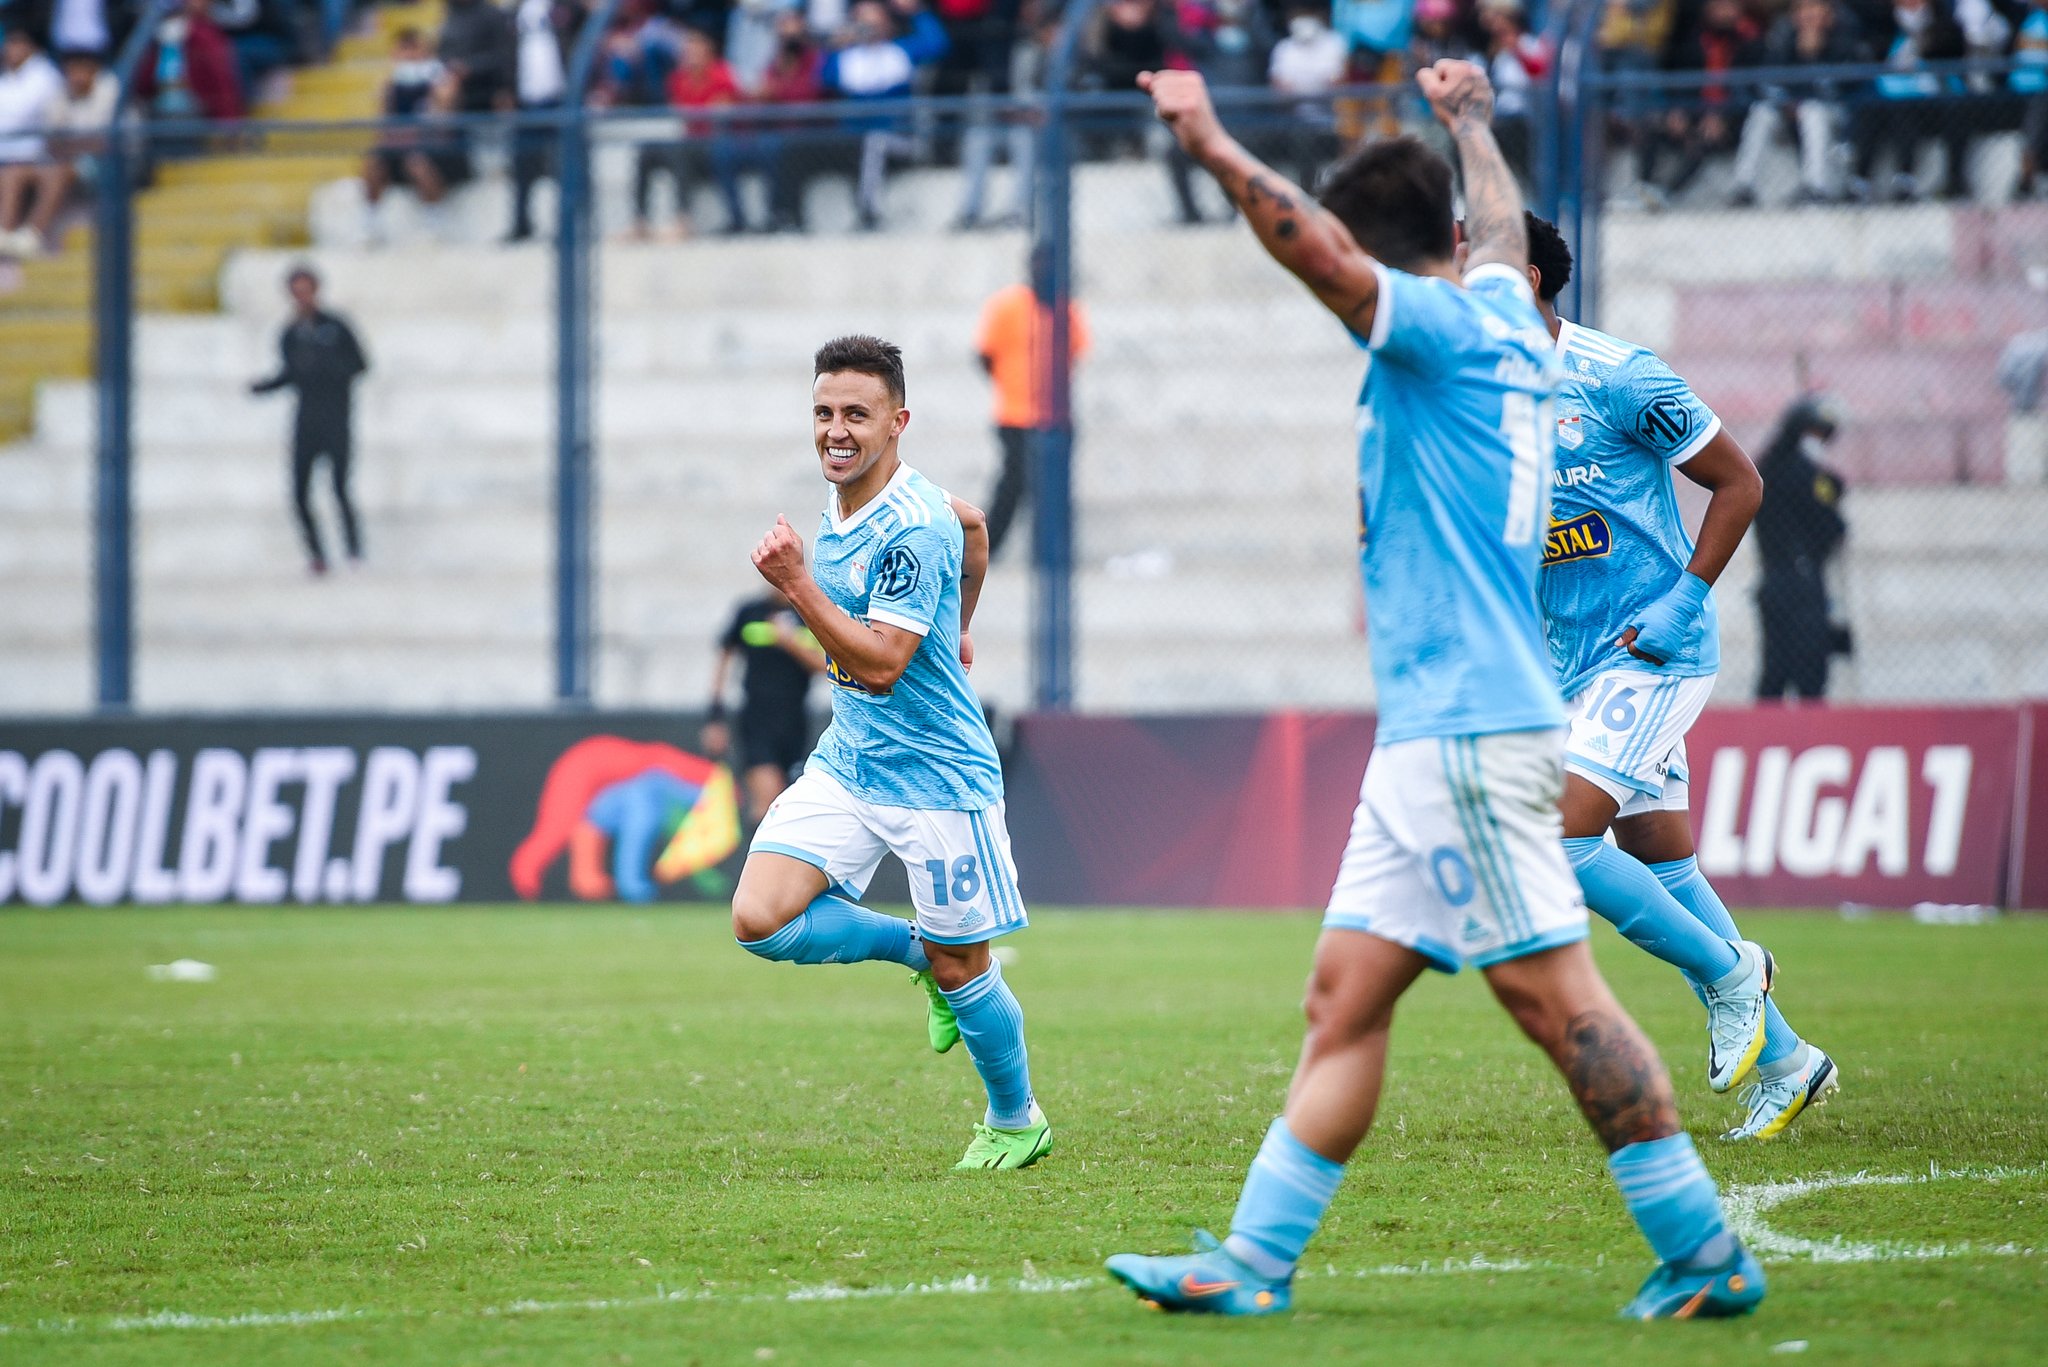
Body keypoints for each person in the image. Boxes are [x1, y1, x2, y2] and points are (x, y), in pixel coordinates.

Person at [1106, 60, 1764, 1320]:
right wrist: (1470, 121)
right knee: (1341, 999)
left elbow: (1315, 254)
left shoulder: (1438, 329)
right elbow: (1507, 229)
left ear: (1379, 249)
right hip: (1434, 734)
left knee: (1552, 999)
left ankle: (1699, 1246)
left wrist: (1205, 139)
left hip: (1469, 730)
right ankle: (1251, 1259)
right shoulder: (1511, 314)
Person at [1524, 213, 1837, 1142]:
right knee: (1663, 855)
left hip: (1651, 650)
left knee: (1560, 842)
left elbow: (1740, 481)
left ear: (1532, 278)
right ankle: (1787, 1059)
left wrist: (1687, 595)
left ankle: (1738, 975)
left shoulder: (1619, 376)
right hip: (1571, 664)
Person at [730, 335, 1052, 1173]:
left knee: (965, 966)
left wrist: (798, 584)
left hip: (938, 779)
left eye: (856, 416)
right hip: (852, 761)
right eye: (824, 413)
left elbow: (878, 664)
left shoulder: (907, 529)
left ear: (898, 422)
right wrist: (964, 624)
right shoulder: (866, 495)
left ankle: (1016, 1119)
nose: (836, 431)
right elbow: (976, 525)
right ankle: (910, 950)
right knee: (759, 919)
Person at [249, 266, 370, 577]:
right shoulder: (290, 334)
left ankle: (354, 550)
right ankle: (317, 554)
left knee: (339, 487)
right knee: (300, 492)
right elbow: (289, 374)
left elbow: (360, 365)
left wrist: (326, 368)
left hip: (336, 417)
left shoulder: (336, 327)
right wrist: (264, 387)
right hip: (306, 419)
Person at [974, 249, 1090, 558]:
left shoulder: (1065, 309)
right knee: (1013, 485)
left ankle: (1051, 551)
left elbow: (1076, 354)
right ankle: (987, 546)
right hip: (1015, 416)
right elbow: (984, 355)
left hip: (1055, 417)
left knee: (1054, 489)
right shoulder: (1007, 306)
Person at [820, 0, 949, 230]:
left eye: (875, 22)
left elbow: (938, 44)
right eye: (863, 22)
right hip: (852, 142)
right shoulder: (846, 58)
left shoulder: (901, 51)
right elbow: (821, 79)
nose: (869, 28)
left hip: (901, 140)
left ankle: (869, 212)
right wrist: (834, 45)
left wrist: (915, 12)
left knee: (875, 141)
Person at [1753, 396, 1850, 701]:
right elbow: (1833, 526)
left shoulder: (1765, 470)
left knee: (1775, 672)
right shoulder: (1805, 475)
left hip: (1775, 582)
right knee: (1810, 673)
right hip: (1802, 583)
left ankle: (1767, 737)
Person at [704, 584, 827, 821]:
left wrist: (790, 642)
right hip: (757, 719)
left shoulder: (810, 614)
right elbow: (724, 660)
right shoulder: (750, 612)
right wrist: (715, 717)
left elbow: (825, 666)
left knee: (792, 807)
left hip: (795, 721)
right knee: (767, 804)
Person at [1728, 0, 1861, 205]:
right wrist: (1787, 102)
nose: (1807, 15)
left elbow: (1842, 87)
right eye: (1802, 9)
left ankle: (1816, 187)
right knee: (1761, 112)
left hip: (1836, 113)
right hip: (1789, 108)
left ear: (1828, 13)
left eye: (1814, 8)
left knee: (1812, 111)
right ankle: (1744, 186)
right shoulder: (1784, 38)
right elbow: (1767, 82)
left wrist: (1813, 55)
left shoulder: (1843, 37)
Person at [631, 25, 745, 236]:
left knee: (681, 151)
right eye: (688, 51)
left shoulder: (722, 72)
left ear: (708, 52)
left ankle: (683, 219)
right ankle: (640, 221)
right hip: (692, 139)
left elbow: (719, 115)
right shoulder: (678, 78)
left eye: (696, 50)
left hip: (717, 145)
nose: (691, 55)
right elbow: (686, 115)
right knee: (647, 151)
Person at [362, 31, 471, 217]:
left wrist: (439, 90)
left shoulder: (441, 79)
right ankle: (371, 220)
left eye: (414, 49)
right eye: (404, 49)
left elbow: (442, 121)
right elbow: (383, 125)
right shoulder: (391, 85)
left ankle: (434, 218)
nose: (409, 55)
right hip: (402, 148)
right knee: (373, 163)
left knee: (417, 162)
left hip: (439, 150)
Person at [506, 0, 578, 243]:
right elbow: (506, 55)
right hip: (526, 101)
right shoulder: (515, 13)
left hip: (559, 99)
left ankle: (566, 225)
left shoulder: (567, 7)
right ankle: (521, 223)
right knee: (522, 165)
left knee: (564, 165)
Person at [0, 28, 64, 258]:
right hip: (7, 154)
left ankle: (14, 234)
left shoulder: (45, 75)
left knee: (12, 174)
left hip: (36, 157)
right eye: (10, 44)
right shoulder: (6, 77)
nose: (11, 50)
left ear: (32, 47)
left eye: (18, 44)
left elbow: (19, 114)